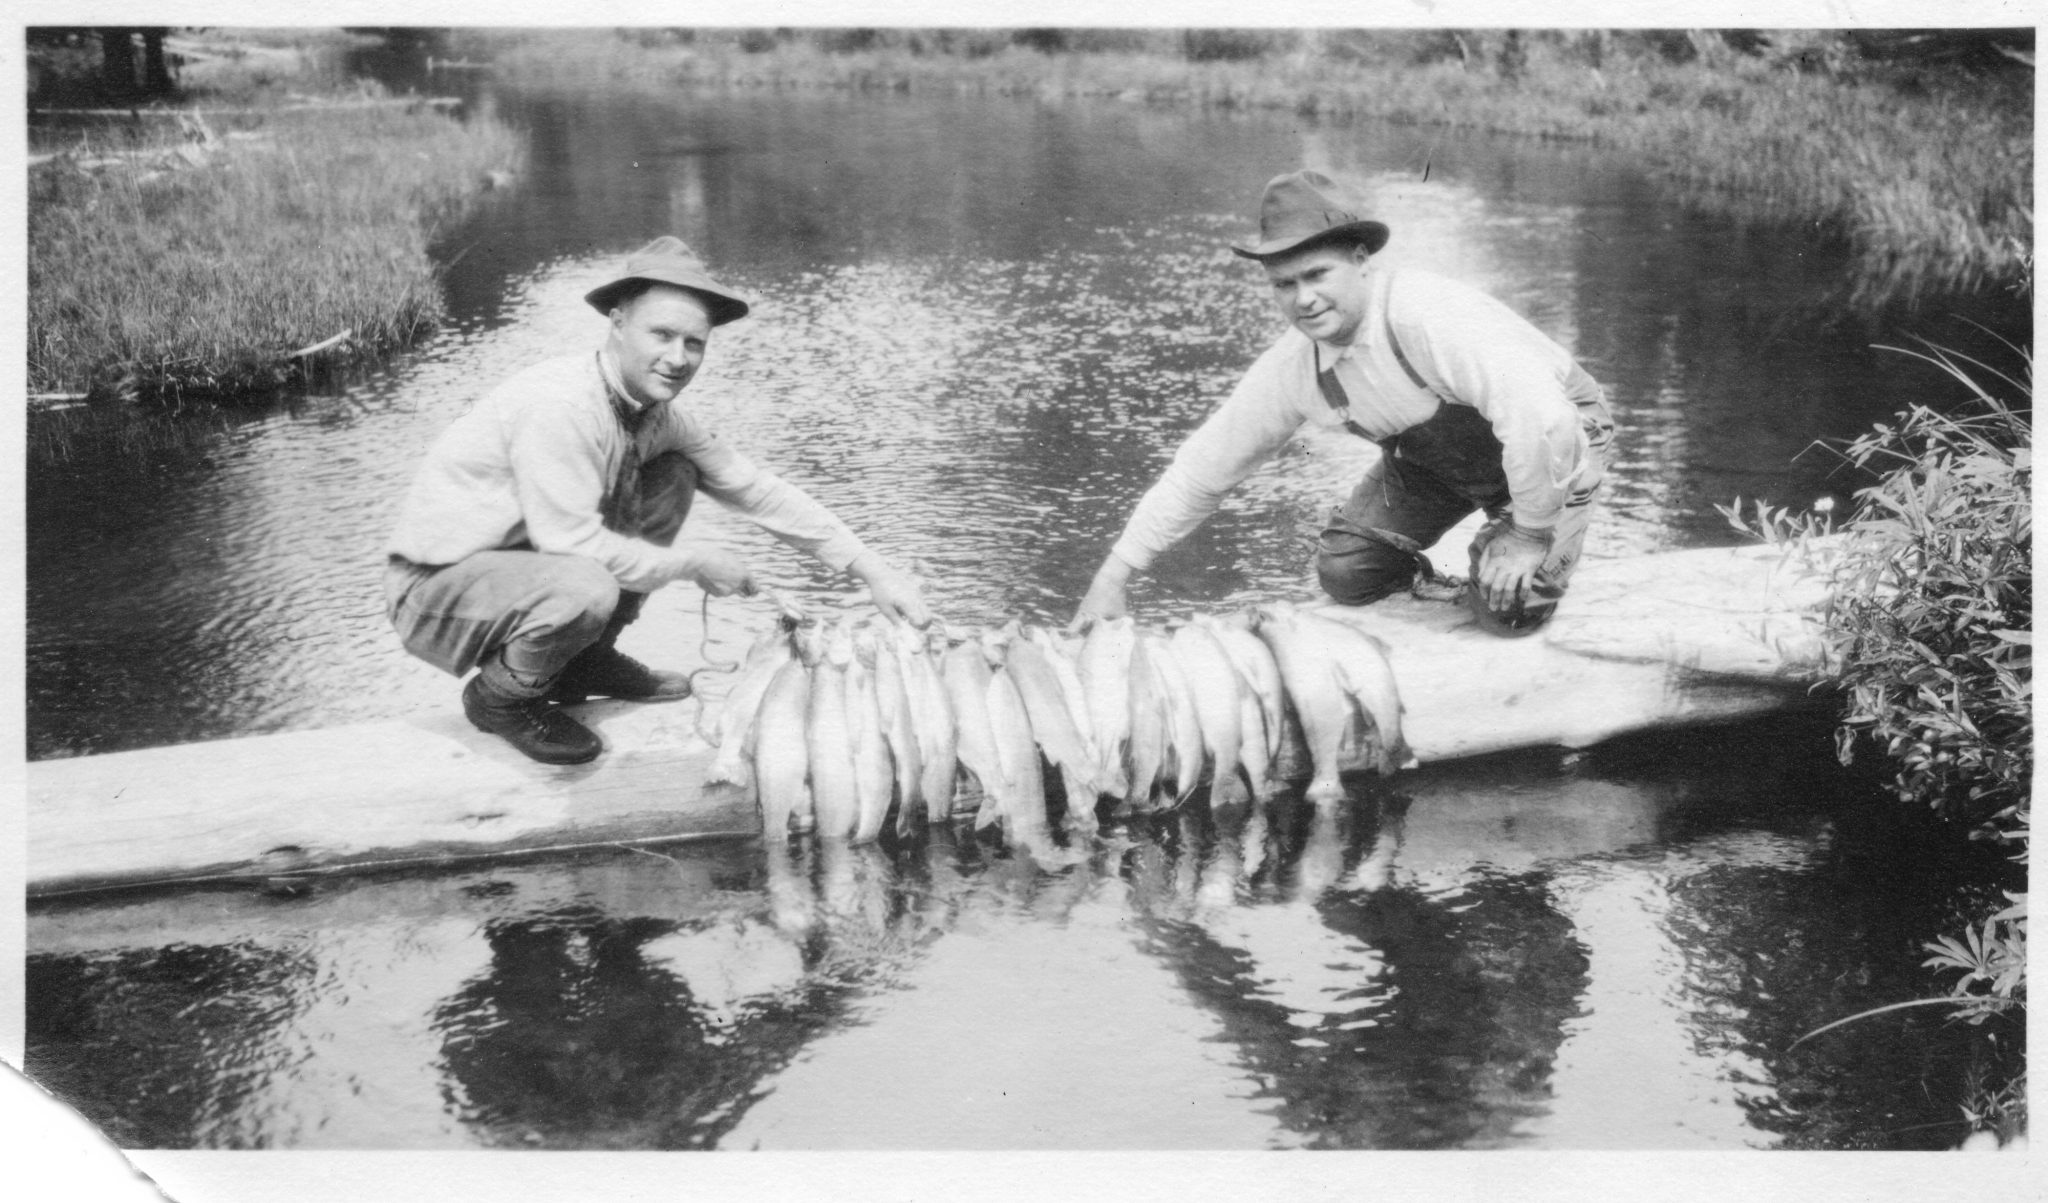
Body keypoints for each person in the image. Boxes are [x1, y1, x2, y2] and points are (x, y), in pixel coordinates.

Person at [386, 236, 929, 765]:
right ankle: (501, 699)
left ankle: (581, 663)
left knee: (674, 472)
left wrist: (873, 570)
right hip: (436, 591)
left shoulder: (658, 416)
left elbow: (757, 489)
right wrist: (696, 563)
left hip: (522, 573)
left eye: (694, 343)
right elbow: (571, 543)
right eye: (662, 334)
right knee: (587, 584)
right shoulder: (562, 406)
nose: (678, 358)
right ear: (618, 323)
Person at [1072, 169, 1614, 636]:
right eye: (1284, 284)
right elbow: (1199, 473)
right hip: (1443, 464)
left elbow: (1543, 419)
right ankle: (1456, 580)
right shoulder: (1292, 369)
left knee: (1512, 609)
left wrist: (1527, 534)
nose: (1303, 299)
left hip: (1563, 434)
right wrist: (1111, 580)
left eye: (1316, 275)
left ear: (1360, 260)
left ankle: (1522, 543)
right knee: (1348, 573)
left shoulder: (1426, 316)